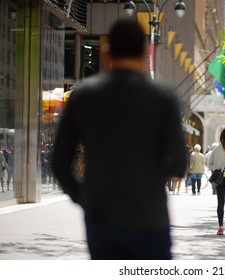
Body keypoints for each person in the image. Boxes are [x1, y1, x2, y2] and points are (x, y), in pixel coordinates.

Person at [51, 19, 187, 260]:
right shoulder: (164, 97)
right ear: (145, 53)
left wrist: (83, 198)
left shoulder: (84, 95)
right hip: (150, 216)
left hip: (102, 218)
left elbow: (59, 161)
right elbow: (179, 164)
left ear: (107, 52)